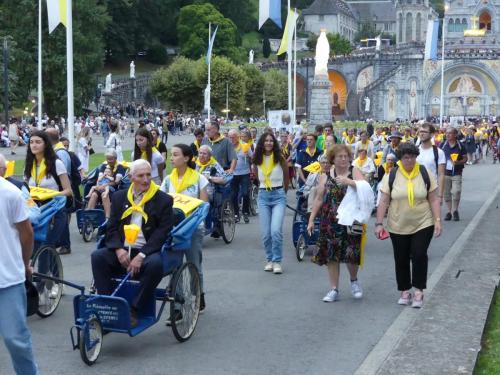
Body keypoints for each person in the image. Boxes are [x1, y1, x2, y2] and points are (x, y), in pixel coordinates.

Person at [92, 160, 174, 327]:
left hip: (147, 251)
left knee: (156, 266)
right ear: (130, 177)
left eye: (148, 175)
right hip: (124, 249)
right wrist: (118, 250)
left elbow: (161, 233)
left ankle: (134, 309)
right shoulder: (119, 197)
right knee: (98, 257)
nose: (146, 180)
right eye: (140, 176)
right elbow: (112, 227)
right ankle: (108, 306)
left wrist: (142, 255)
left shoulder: (163, 200)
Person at [375, 143, 442, 308]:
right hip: (397, 223)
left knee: (419, 254)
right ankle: (405, 290)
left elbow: (433, 198)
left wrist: (438, 220)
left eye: (412, 156)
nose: (409, 160)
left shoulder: (424, 173)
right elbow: (383, 200)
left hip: (423, 221)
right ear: (400, 158)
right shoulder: (392, 175)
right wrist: (378, 223)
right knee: (401, 257)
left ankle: (418, 290)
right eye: (405, 157)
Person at [307, 144, 367, 302]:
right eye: (340, 156)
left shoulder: (354, 171)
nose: (343, 159)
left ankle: (354, 281)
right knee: (332, 255)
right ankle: (334, 289)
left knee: (351, 253)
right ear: (332, 159)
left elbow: (366, 188)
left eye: (346, 156)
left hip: (352, 219)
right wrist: (312, 219)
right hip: (330, 220)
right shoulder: (325, 175)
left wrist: (350, 182)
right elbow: (319, 198)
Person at [0, 155, 38, 375]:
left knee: (16, 341)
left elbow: (27, 233)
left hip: (8, 278)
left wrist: (25, 264)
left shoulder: (10, 193)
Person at [160, 144, 208, 312]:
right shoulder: (167, 181)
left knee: (194, 263)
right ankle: (177, 307)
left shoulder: (198, 179)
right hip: (174, 230)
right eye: (171, 155)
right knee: (175, 267)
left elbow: (204, 205)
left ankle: (198, 295)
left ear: (186, 158)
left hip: (193, 229)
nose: (171, 158)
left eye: (175, 155)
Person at [24, 130, 73, 255]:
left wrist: (50, 194)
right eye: (31, 142)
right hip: (35, 211)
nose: (34, 145)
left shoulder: (57, 164)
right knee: (33, 248)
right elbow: (24, 190)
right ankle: (40, 273)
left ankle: (45, 273)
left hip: (54, 211)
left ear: (45, 144)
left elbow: (68, 191)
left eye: (38, 142)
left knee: (46, 247)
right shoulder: (29, 165)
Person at [252, 132, 289, 274]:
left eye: (271, 141)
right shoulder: (257, 159)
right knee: (266, 233)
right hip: (263, 196)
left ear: (274, 143)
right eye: (266, 141)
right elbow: (256, 176)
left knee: (276, 231)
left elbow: (286, 177)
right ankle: (269, 259)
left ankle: (277, 261)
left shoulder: (280, 158)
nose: (269, 143)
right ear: (262, 143)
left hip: (278, 195)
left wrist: (283, 194)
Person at [440, 127, 468, 221]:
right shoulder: (442, 145)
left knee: (456, 191)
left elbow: (465, 158)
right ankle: (450, 212)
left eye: (450, 133)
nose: (447, 135)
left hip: (457, 172)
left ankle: (455, 210)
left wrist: (458, 162)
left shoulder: (460, 146)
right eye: (446, 133)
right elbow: (438, 158)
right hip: (445, 173)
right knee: (446, 194)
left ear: (455, 135)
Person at [416, 123, 446, 203]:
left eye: (424, 132)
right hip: (416, 190)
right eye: (420, 131)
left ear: (432, 134)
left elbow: (441, 175)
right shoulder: (414, 151)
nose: (421, 134)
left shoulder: (439, 152)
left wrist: (440, 195)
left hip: (432, 190)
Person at [229, 129, 253, 223]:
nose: (231, 139)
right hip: (233, 174)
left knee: (245, 193)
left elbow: (253, 157)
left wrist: (248, 156)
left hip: (244, 173)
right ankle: (236, 214)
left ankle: (245, 212)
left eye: (233, 137)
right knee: (233, 195)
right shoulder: (228, 146)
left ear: (238, 137)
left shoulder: (245, 145)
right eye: (230, 137)